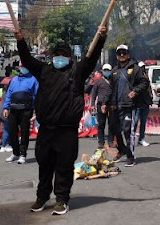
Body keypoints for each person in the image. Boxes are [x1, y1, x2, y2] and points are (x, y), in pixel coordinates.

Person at [15, 25, 106, 215]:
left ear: (70, 57)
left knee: (64, 167)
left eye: (63, 54)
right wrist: (21, 41)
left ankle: (62, 200)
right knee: (45, 165)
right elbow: (27, 59)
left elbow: (91, 59)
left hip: (67, 130)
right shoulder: (43, 70)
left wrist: (101, 37)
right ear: (51, 56)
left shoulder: (77, 71)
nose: (59, 57)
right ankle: (42, 197)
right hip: (46, 128)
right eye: (57, 54)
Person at [109, 45, 148, 166]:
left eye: (124, 53)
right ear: (116, 56)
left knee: (127, 131)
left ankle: (131, 156)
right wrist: (110, 103)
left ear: (128, 54)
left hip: (129, 106)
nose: (121, 55)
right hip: (116, 106)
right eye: (119, 53)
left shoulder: (135, 69)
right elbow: (112, 88)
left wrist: (135, 91)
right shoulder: (114, 70)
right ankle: (122, 150)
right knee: (114, 130)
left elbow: (145, 82)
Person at [2, 65, 38, 164]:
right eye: (22, 66)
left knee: (24, 132)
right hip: (13, 109)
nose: (24, 68)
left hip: (26, 110)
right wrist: (6, 107)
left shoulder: (33, 79)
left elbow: (37, 95)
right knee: (12, 131)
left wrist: (36, 111)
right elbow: (9, 94)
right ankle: (15, 153)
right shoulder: (14, 80)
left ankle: (22, 155)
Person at [90, 64, 114, 149]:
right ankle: (101, 141)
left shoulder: (113, 80)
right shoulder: (98, 81)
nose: (106, 72)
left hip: (111, 105)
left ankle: (110, 141)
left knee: (111, 124)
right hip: (100, 105)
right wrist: (92, 104)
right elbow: (94, 93)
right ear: (102, 71)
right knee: (101, 124)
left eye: (108, 70)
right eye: (105, 70)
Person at [131, 61, 153, 148]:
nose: (142, 69)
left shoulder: (146, 76)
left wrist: (150, 96)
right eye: (141, 67)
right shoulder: (136, 78)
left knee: (143, 122)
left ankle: (141, 139)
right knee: (135, 121)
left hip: (145, 102)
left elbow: (149, 88)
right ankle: (131, 138)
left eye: (143, 67)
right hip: (138, 102)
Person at [0, 77, 13, 153]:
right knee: (7, 129)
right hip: (5, 111)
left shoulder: (4, 91)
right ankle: (4, 145)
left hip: (1, 111)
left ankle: (6, 144)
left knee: (7, 129)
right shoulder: (9, 92)